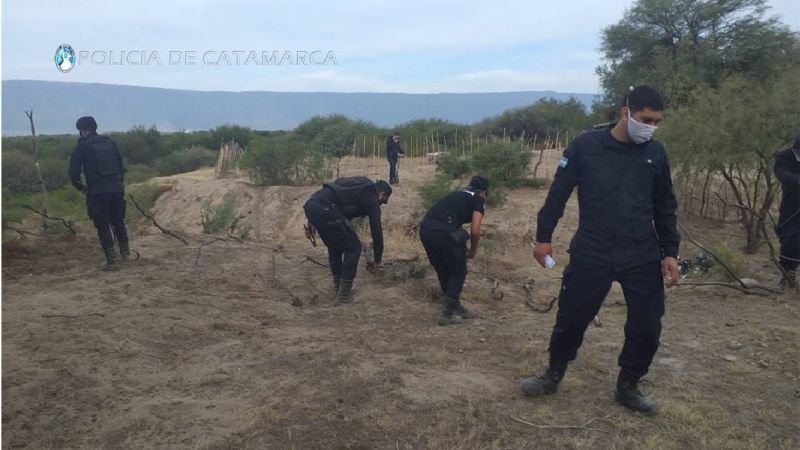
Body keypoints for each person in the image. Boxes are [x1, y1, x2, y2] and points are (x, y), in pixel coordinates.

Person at [520, 85, 680, 415]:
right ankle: (553, 374)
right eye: (645, 119)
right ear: (625, 113)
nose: (651, 126)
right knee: (571, 317)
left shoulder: (656, 153)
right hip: (593, 248)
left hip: (641, 251)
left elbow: (665, 206)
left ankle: (629, 385)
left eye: (657, 121)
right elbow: (558, 194)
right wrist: (543, 236)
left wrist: (670, 251)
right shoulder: (586, 146)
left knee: (647, 325)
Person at [303, 177, 392, 304]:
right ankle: (343, 296)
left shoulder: (356, 187)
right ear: (381, 194)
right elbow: (377, 232)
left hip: (312, 205)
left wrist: (312, 222)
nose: (381, 203)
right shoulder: (371, 196)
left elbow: (329, 194)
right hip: (325, 208)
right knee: (354, 248)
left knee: (335, 246)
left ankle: (337, 288)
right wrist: (377, 260)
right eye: (383, 201)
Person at [420, 175, 488, 325]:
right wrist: (473, 250)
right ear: (483, 192)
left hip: (425, 230)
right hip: (444, 231)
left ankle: (455, 306)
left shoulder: (457, 194)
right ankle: (447, 313)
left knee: (444, 269)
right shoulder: (479, 199)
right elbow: (475, 230)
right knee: (459, 271)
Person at [68, 116, 130, 271]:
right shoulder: (110, 142)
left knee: (102, 225)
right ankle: (126, 254)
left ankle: (112, 261)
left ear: (82, 130)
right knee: (118, 220)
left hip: (98, 191)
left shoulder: (82, 146)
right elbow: (121, 167)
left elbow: (73, 172)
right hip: (117, 188)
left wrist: (82, 188)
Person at [774, 133, 800, 290]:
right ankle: (787, 275)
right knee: (788, 240)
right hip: (790, 207)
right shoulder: (784, 157)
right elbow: (782, 175)